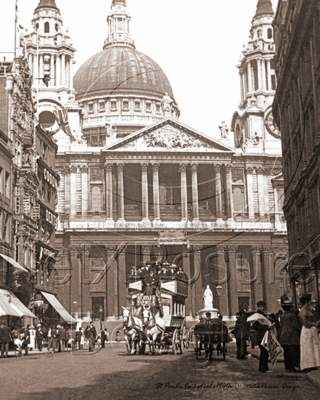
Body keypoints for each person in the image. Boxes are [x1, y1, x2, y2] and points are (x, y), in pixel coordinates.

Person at [299, 293, 320, 370]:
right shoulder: (303, 310)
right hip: (307, 331)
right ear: (307, 301)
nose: (311, 302)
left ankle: (313, 364)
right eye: (310, 300)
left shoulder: (308, 309)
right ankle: (308, 365)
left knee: (313, 347)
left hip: (311, 330)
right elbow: (305, 323)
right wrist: (314, 323)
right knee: (308, 347)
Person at [279, 301, 302, 372]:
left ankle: (288, 366)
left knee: (286, 352)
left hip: (284, 336)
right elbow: (296, 326)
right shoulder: (293, 316)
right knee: (292, 352)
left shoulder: (282, 316)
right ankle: (292, 367)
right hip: (292, 336)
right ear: (290, 308)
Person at [252, 301, 271, 373]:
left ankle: (263, 367)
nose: (263, 308)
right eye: (261, 306)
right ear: (258, 307)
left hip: (265, 335)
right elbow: (255, 326)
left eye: (264, 306)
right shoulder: (257, 316)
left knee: (265, 352)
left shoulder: (264, 314)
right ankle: (263, 367)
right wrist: (265, 327)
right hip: (261, 336)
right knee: (264, 352)